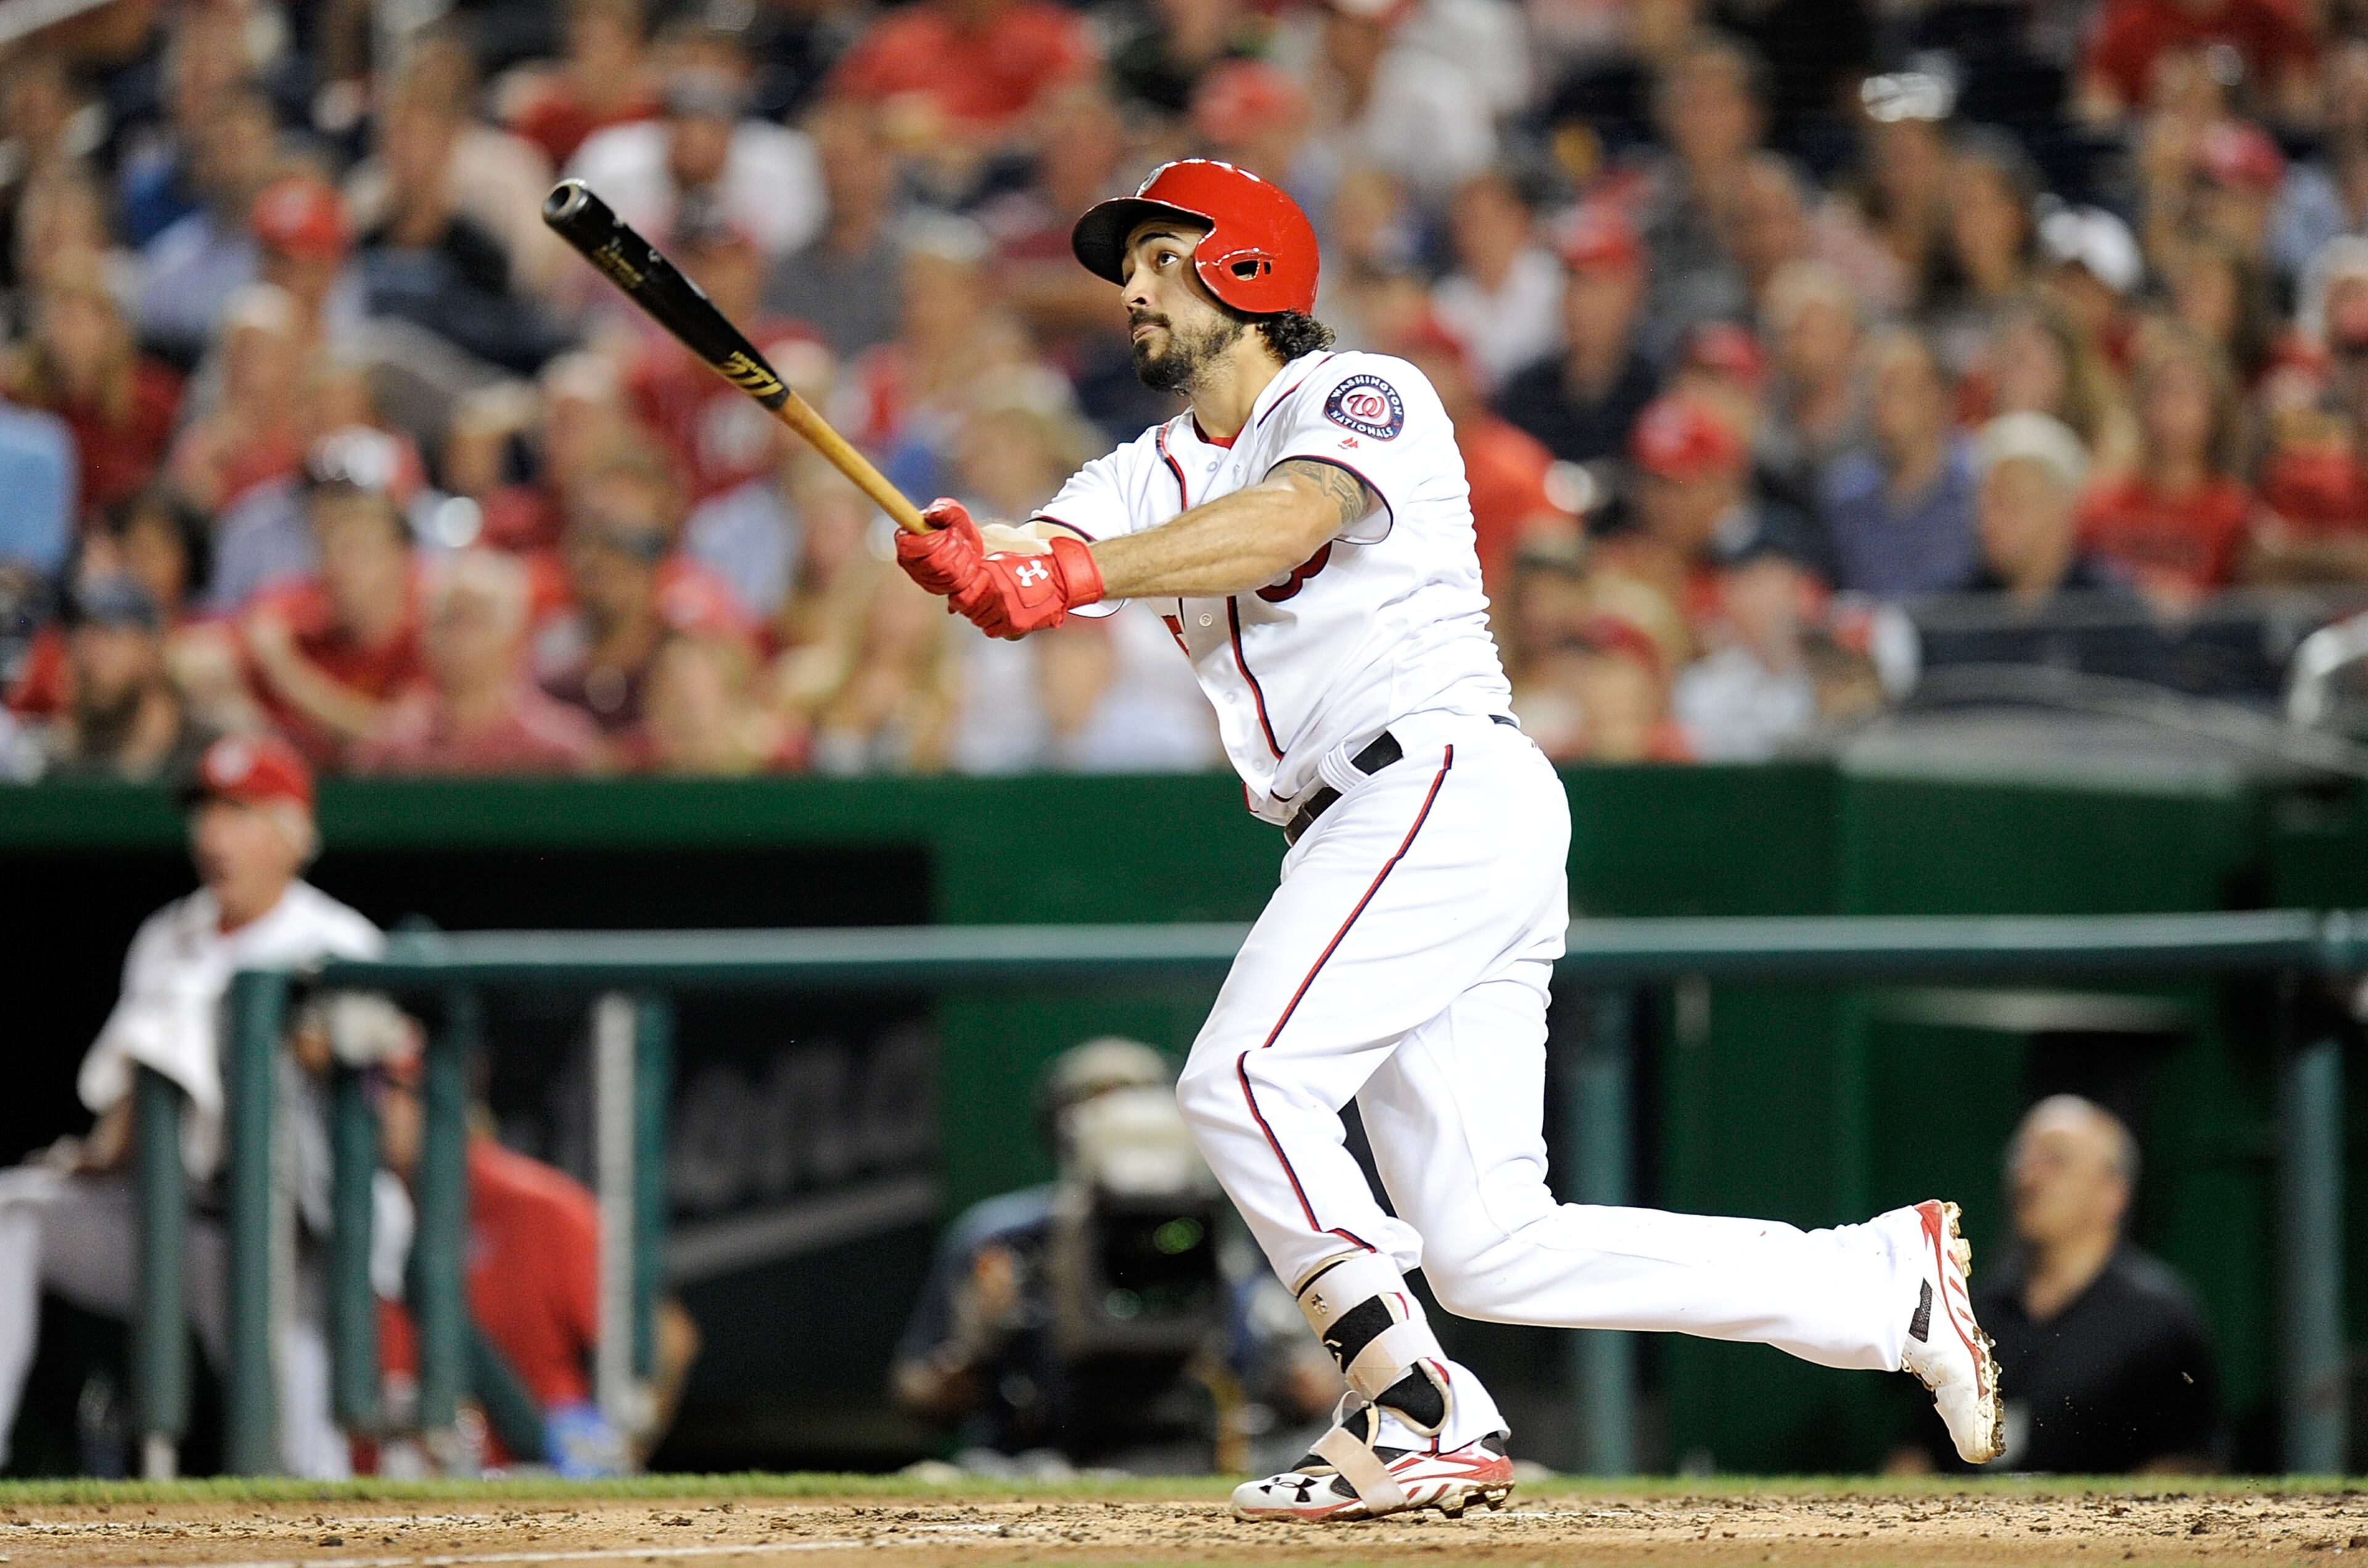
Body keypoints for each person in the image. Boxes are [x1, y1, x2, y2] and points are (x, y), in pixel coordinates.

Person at [891, 158, 2005, 1522]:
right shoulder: (1153, 466)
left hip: (1431, 782)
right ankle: (1873, 1282)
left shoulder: (1361, 393)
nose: (1129, 286)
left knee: (1242, 1076)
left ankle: (1409, 1401)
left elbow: (1289, 518)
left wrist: (1061, 571)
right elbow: (1049, 543)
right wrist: (977, 553)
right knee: (1488, 1245)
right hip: (1374, 824)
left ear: (1244, 269)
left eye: (1160, 257)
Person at [0, 734, 392, 1479]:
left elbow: (383, 1104)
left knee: (303, 1463)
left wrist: (322, 1044)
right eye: (205, 814)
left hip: (294, 1246)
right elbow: (129, 1101)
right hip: (182, 1227)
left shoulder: (338, 940)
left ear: (292, 833)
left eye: (238, 814)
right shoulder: (166, 934)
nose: (213, 836)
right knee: (14, 1211)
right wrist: (93, 1155)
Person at [892, 1039, 1338, 1472]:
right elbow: (922, 1397)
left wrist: (1304, 1368)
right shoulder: (1003, 1240)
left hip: (1204, 1449)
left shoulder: (1232, 1230)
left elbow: (1315, 1388)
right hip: (1043, 1457)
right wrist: (977, 1341)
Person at [374, 1053, 701, 1472]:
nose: (381, 1109)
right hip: (382, 1494)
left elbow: (669, 1337)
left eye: (399, 1091)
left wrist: (621, 1447)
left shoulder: (540, 1207)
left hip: (532, 1490)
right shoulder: (345, 1216)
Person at [1895, 1096, 2220, 1473]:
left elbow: (2184, 1471)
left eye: (2056, 1161)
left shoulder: (2158, 1321)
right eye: (2022, 1160)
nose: (2029, 1178)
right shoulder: (1971, 1311)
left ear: (2112, 1192)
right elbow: (1915, 1457)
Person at [351, 549, 602, 776]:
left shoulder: (557, 748)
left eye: (474, 619)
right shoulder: (392, 746)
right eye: (446, 621)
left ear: (515, 636)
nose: (458, 637)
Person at [1494, 202, 1660, 470]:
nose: (1580, 303)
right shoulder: (1525, 394)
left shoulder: (1659, 388)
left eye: (1597, 285)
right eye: (1572, 284)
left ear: (1634, 294)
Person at [1817, 327, 1981, 596]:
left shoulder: (1980, 484)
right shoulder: (1843, 499)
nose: (1877, 401)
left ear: (1936, 397)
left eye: (1892, 386)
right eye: (1869, 387)